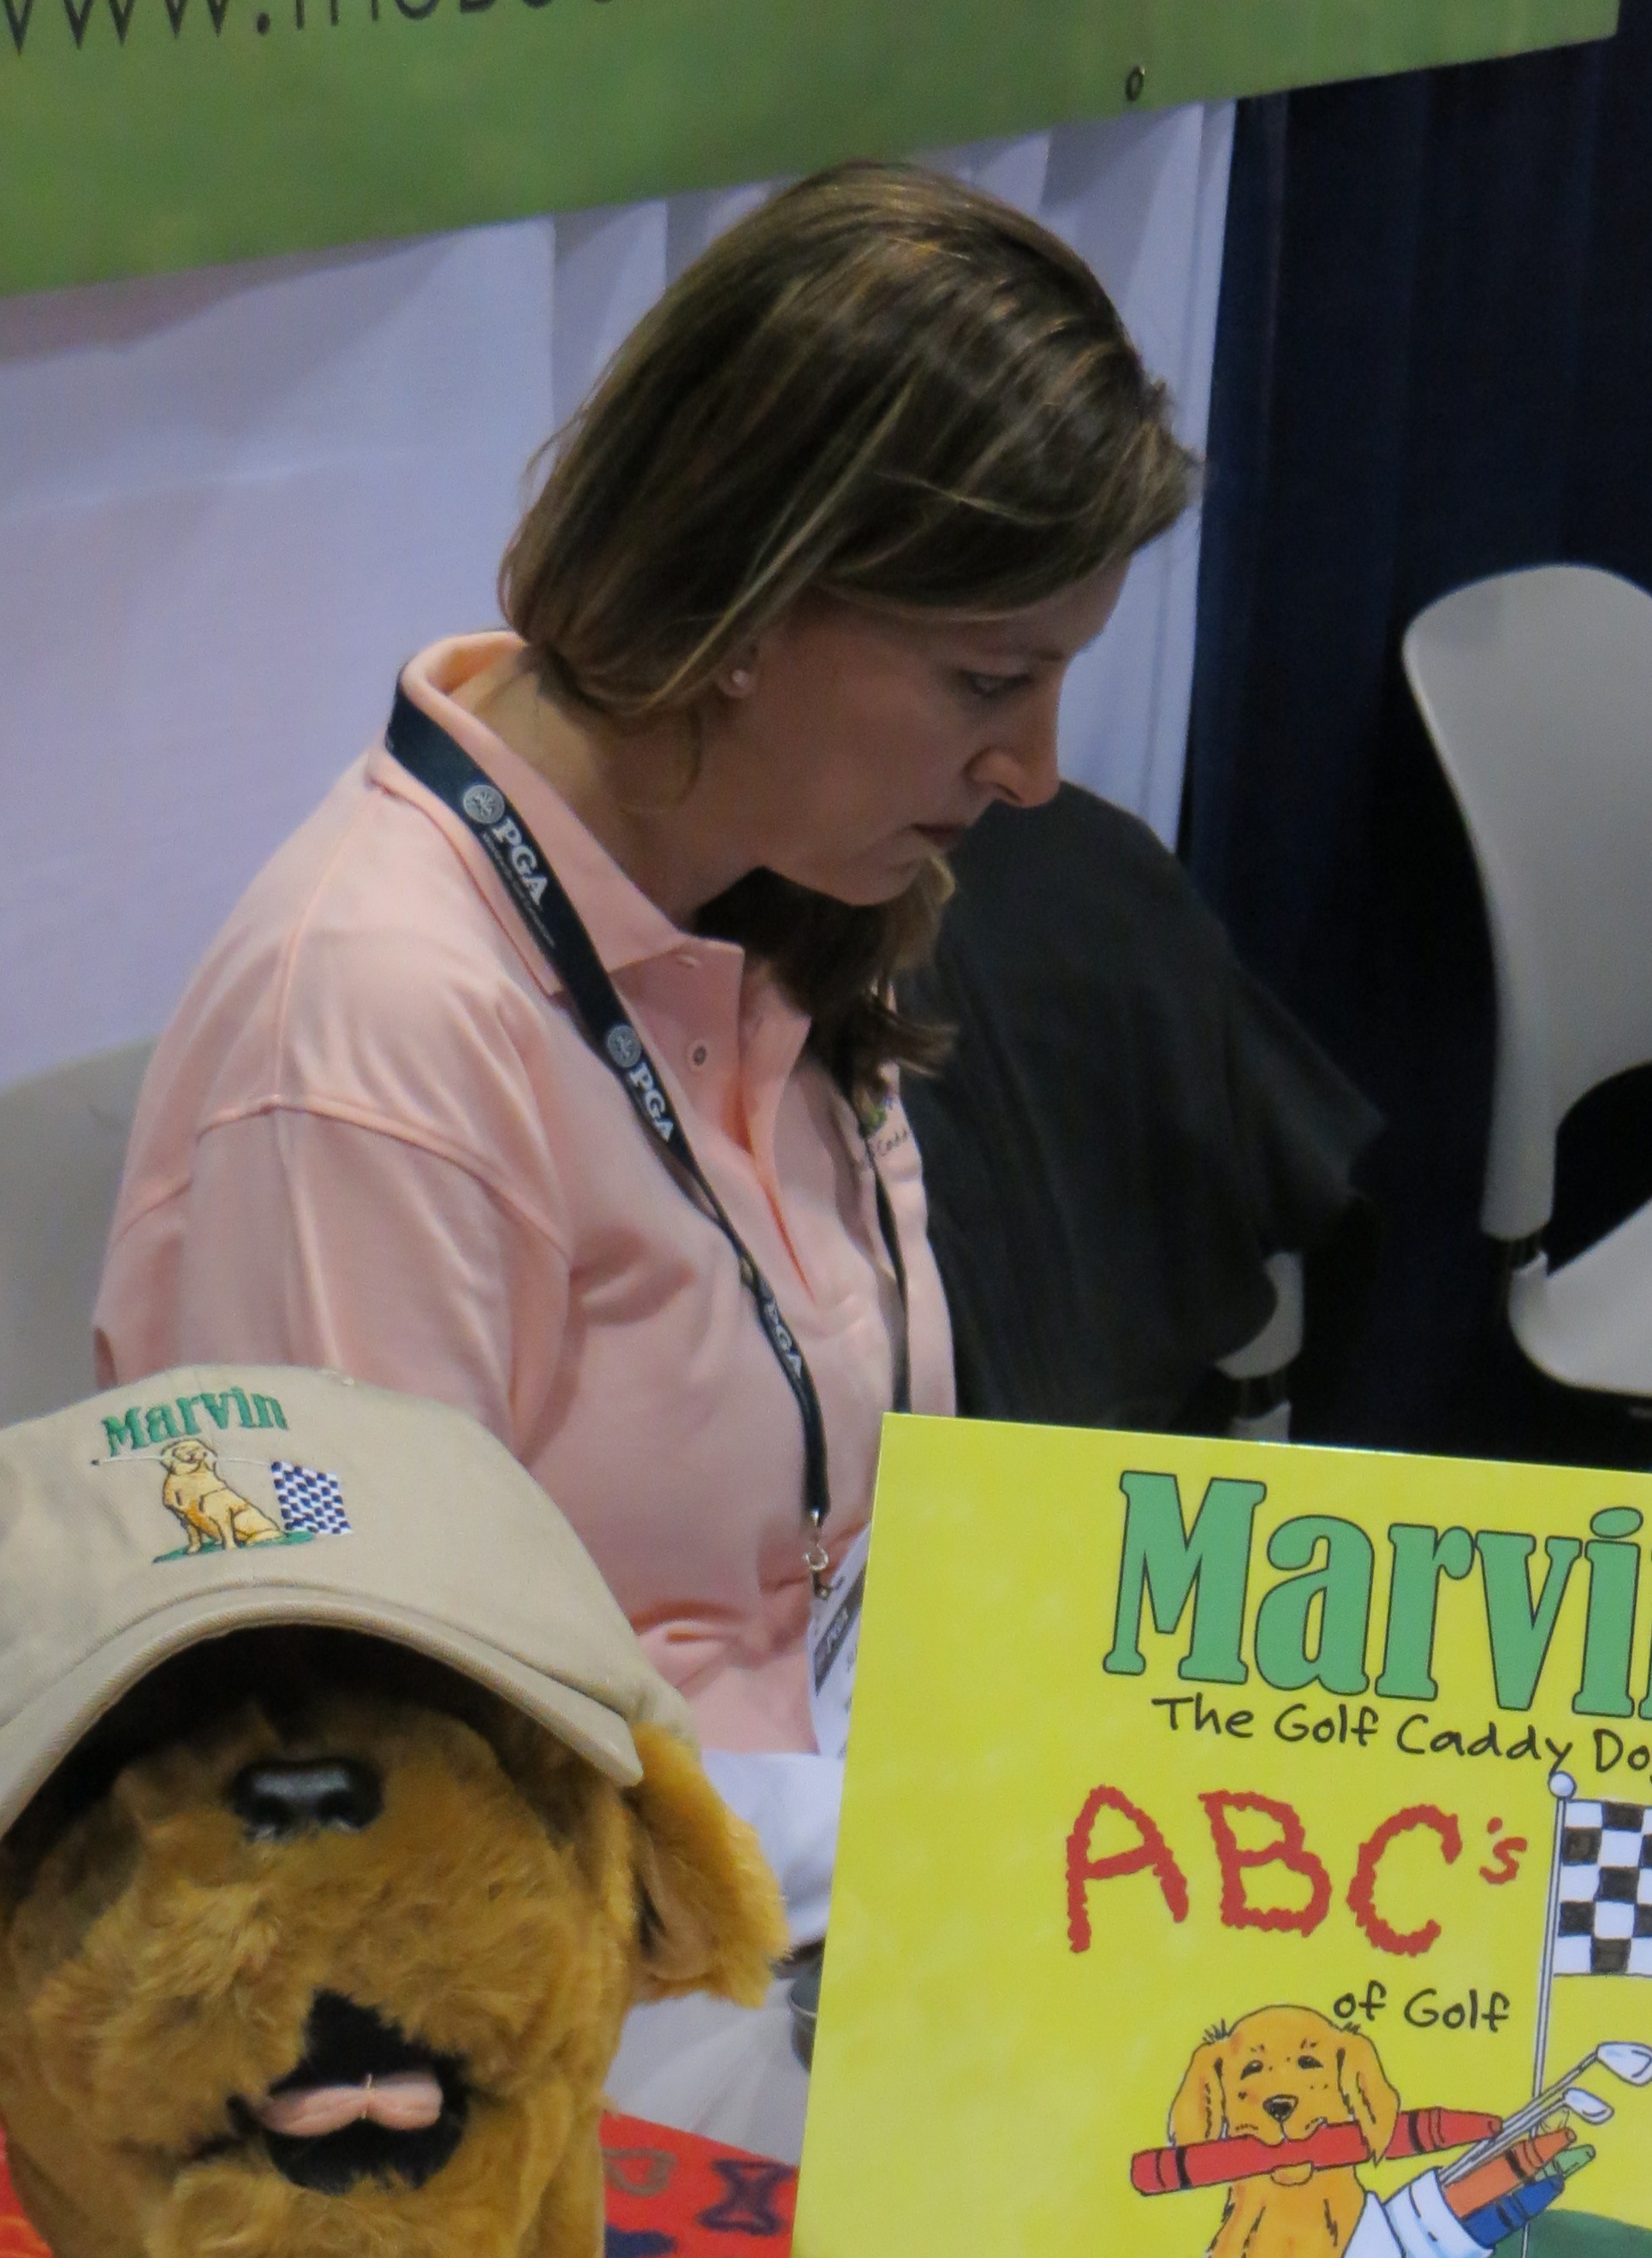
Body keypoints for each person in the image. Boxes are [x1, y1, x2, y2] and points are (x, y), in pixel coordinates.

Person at [93, 164, 1195, 2095]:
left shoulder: (766, 901)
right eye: (987, 679)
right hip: (565, 2064)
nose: (1031, 768)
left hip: (812, 1941)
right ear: (755, 601)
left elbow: (825, 1565)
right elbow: (352, 1788)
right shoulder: (374, 1030)